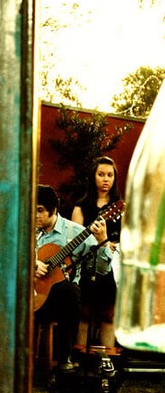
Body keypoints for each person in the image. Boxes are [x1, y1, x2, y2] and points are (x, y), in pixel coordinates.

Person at [34, 184, 114, 373]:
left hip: (60, 302)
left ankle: (65, 358)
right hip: (29, 298)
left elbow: (102, 269)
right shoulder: (27, 231)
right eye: (33, 210)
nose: (35, 215)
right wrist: (32, 264)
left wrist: (102, 241)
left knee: (69, 289)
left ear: (53, 210)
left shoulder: (75, 232)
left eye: (40, 210)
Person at [71, 157, 123, 352]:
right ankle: (79, 357)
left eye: (110, 175)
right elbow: (74, 241)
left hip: (111, 267)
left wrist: (110, 245)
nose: (105, 179)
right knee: (84, 315)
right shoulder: (81, 206)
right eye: (101, 174)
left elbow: (127, 239)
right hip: (85, 266)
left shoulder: (120, 207)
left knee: (109, 316)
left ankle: (107, 362)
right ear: (93, 177)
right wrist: (99, 242)